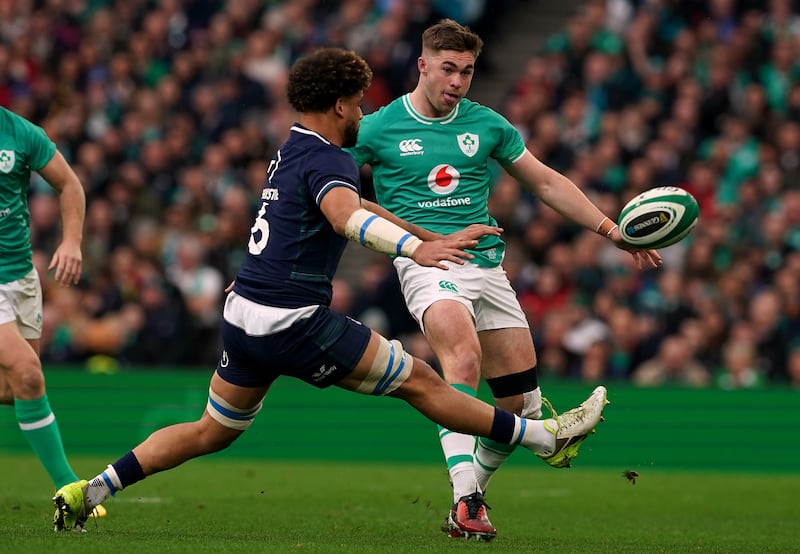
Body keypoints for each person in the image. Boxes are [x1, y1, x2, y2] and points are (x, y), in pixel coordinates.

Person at [52, 47, 608, 535]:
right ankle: (542, 437)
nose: (363, 113)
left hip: (243, 313)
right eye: (359, 103)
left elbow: (352, 205)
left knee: (211, 430)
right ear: (340, 105)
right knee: (422, 382)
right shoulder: (331, 156)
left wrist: (424, 235)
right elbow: (346, 217)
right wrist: (416, 251)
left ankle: (93, 489)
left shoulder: (292, 149)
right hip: (293, 321)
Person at [347, 19, 661, 540]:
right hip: (431, 266)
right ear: (422, 65)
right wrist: (411, 236)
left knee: (515, 402)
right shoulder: (377, 128)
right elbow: (332, 192)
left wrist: (610, 230)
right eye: (447, 69)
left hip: (487, 267)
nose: (457, 82)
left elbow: (544, 181)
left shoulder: (487, 124)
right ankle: (467, 498)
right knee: (462, 361)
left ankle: (472, 500)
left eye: (466, 72)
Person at [0, 106, 105, 516]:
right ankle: (69, 488)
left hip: (21, 278)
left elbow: (70, 185)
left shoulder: (23, 133)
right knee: (28, 373)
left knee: (15, 390)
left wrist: (72, 242)